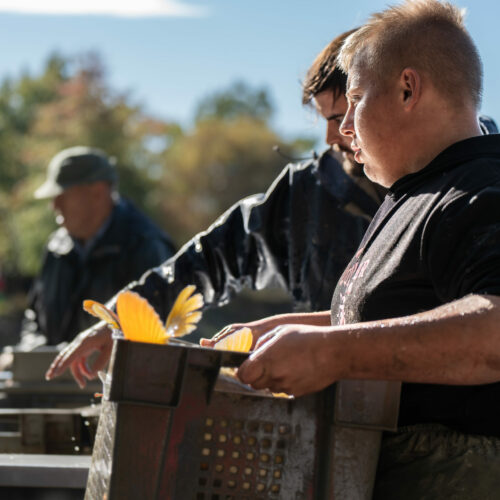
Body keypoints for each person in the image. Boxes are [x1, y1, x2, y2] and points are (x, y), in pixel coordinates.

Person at [204, 1, 500, 498]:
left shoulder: (480, 190)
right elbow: (409, 312)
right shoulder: (411, 193)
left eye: (357, 98)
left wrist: (334, 351)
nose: (342, 130)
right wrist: (286, 330)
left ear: (408, 89)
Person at [45, 31, 389, 387]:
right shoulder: (303, 193)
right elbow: (207, 260)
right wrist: (119, 318)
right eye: (326, 121)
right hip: (330, 396)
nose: (333, 138)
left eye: (340, 118)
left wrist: (278, 328)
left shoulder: (437, 191)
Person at [19, 146, 176, 349]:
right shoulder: (55, 247)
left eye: (62, 195)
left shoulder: (145, 245)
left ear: (97, 193)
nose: (54, 205)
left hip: (115, 380)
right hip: (52, 379)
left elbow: (158, 334)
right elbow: (34, 316)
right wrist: (31, 350)